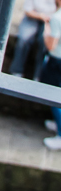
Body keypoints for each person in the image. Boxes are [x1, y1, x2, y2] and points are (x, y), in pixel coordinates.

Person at [10, 0, 60, 78]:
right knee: (24, 38)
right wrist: (41, 16)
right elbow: (28, 10)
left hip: (50, 20)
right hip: (33, 17)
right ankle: (16, 70)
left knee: (43, 44)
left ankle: (38, 75)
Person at [39, 9, 61, 150]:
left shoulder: (57, 18)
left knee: (55, 98)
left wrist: (45, 32)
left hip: (57, 61)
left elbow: (51, 45)